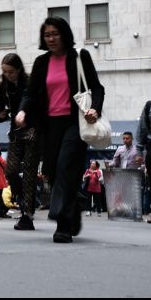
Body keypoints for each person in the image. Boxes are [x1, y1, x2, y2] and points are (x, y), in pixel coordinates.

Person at [17, 17, 105, 244]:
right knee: (54, 172)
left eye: (55, 34)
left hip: (75, 122)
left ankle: (62, 224)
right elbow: (30, 93)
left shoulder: (79, 57)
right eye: (47, 35)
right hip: (49, 125)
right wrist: (23, 111)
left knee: (66, 166)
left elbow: (96, 87)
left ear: (64, 34)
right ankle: (73, 209)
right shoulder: (41, 63)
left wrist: (95, 109)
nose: (51, 39)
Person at [0, 53, 40, 231]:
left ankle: (27, 214)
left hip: (32, 130)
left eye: (11, 72)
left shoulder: (29, 83)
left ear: (19, 69)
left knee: (29, 170)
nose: (8, 75)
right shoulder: (2, 86)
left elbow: (33, 102)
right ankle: (23, 199)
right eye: (5, 72)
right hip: (15, 133)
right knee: (11, 170)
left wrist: (24, 113)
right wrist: (1, 114)